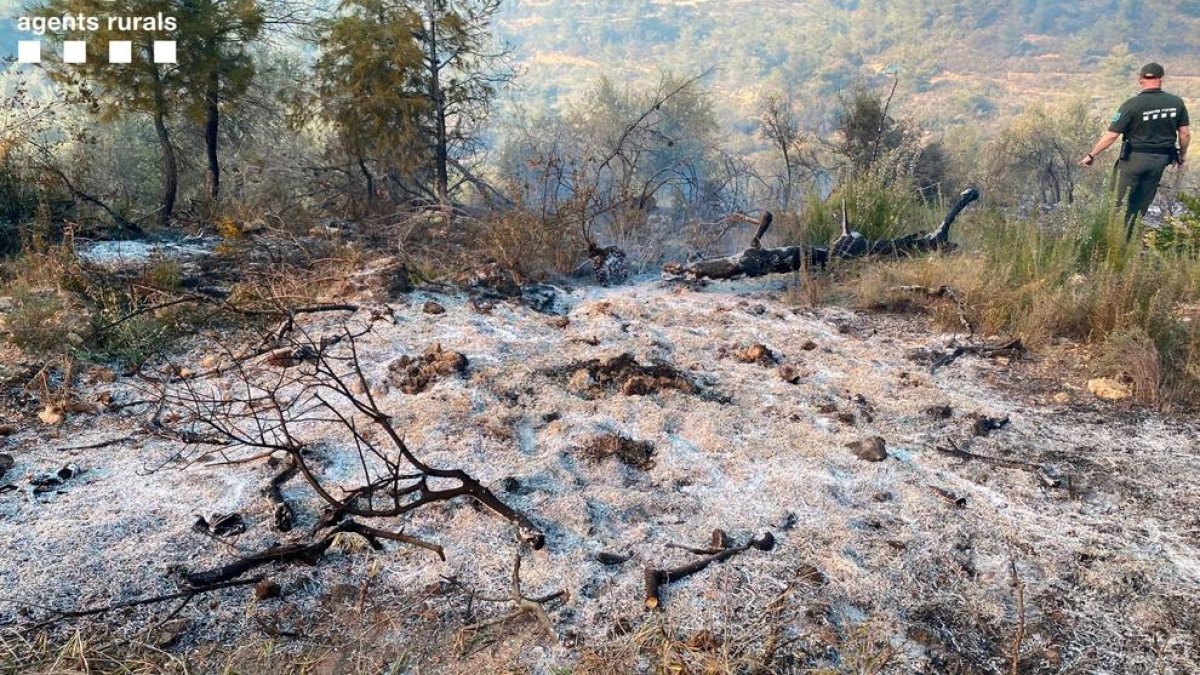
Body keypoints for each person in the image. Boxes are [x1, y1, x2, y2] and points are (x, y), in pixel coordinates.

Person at [1079, 62, 1190, 239]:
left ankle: (1111, 240)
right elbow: (1184, 134)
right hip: (1160, 161)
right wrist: (1182, 156)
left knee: (1117, 201)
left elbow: (1111, 136)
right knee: (1141, 203)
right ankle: (1128, 238)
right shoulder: (1176, 103)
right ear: (1161, 79)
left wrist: (1091, 155)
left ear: (1140, 80)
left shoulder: (1131, 105)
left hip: (1134, 160)